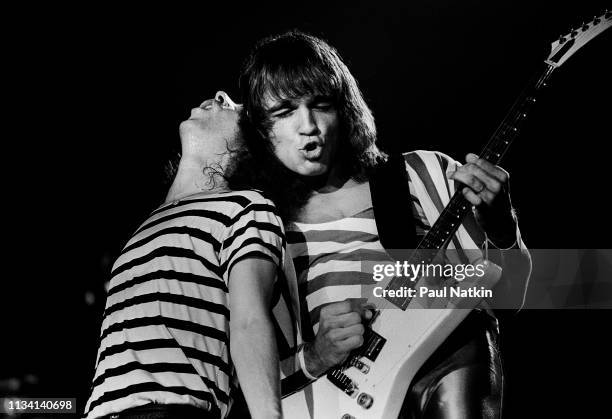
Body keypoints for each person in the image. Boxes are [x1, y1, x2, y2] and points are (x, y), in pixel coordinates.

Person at [227, 31, 532, 418]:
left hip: (443, 382)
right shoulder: (260, 225)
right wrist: (316, 355)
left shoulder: (420, 174)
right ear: (259, 127)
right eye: (285, 112)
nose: (309, 126)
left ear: (345, 109)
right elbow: (246, 380)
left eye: (321, 104)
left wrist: (503, 228)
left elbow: (510, 300)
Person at [85, 92, 290, 419]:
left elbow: (250, 321)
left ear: (249, 146)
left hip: (172, 411)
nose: (222, 96)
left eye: (239, 108)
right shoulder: (147, 224)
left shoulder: (246, 207)